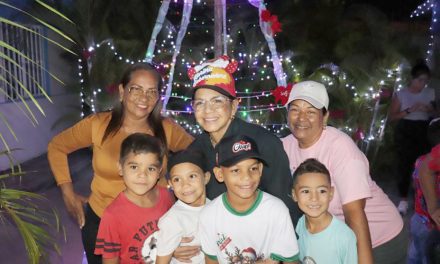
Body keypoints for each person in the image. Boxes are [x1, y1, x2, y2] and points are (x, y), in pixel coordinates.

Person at [47, 63, 193, 263]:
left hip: (154, 227)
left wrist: (184, 195)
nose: (144, 98)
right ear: (122, 91)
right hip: (102, 222)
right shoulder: (98, 124)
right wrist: (67, 192)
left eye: (152, 92)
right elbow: (57, 146)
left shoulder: (167, 129)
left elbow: (198, 155)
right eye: (136, 89)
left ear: (158, 97)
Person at [282, 80, 405, 264]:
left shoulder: (341, 148)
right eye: (295, 109)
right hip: (334, 240)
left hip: (377, 239)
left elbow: (354, 213)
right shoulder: (285, 146)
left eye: (311, 111)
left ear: (324, 117)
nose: (301, 117)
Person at [199, 134, 299, 264]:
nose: (247, 177)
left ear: (261, 169)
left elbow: (290, 260)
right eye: (235, 170)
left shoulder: (276, 210)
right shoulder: (209, 215)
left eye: (253, 168)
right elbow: (211, 260)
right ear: (219, 174)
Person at [94, 133, 174, 263]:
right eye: (134, 167)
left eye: (151, 168)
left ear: (159, 172)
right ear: (120, 168)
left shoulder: (167, 196)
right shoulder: (112, 215)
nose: (142, 175)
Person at [388, 61, 435, 215]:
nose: (422, 84)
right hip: (406, 129)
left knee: (423, 165)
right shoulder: (402, 94)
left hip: (423, 129)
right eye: (420, 80)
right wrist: (409, 110)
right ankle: (403, 200)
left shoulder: (430, 93)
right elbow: (392, 117)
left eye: (425, 81)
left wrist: (429, 109)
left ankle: (422, 199)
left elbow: (437, 114)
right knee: (404, 164)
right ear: (412, 78)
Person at [292, 158, 357, 264]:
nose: (314, 198)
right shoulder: (297, 226)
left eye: (322, 191)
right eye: (306, 191)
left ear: (331, 193)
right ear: (294, 195)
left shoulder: (344, 236)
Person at [156, 150, 211, 264]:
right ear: (171, 184)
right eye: (177, 179)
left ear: (206, 177)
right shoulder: (172, 220)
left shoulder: (215, 207)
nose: (185, 185)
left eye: (192, 176)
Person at [408, 118, 440, 264]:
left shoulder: (420, 160)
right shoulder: (432, 165)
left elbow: (415, 185)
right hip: (431, 224)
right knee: (427, 255)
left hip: (418, 217)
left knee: (415, 251)